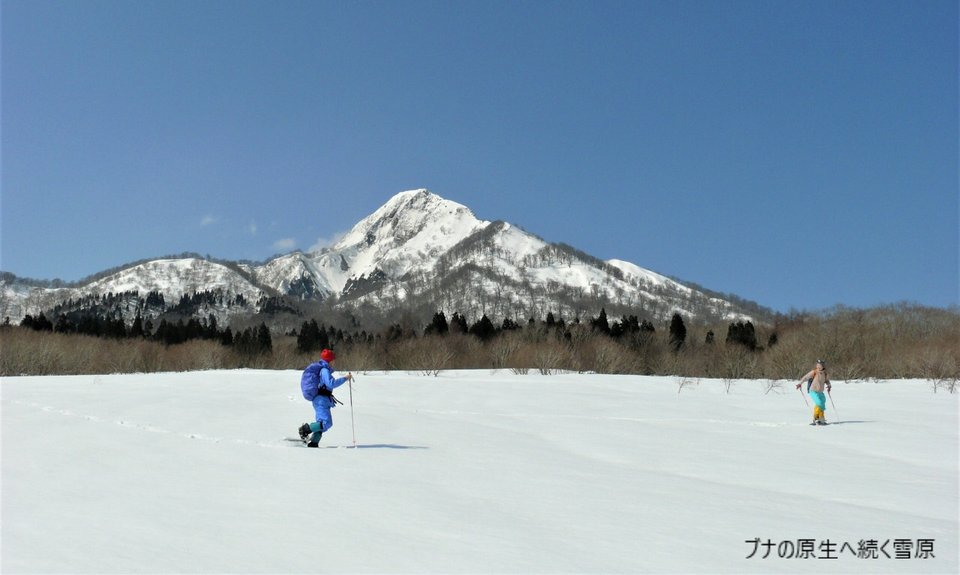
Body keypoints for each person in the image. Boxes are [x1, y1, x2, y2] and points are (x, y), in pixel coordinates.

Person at [298, 349, 353, 447]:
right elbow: (331, 383)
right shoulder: (324, 370)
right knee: (326, 423)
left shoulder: (324, 370)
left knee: (322, 423)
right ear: (330, 360)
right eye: (333, 359)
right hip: (321, 400)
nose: (334, 361)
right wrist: (345, 378)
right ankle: (305, 429)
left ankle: (314, 443)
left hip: (322, 400)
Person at [796, 359, 832, 425]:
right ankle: (816, 418)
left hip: (820, 391)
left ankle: (821, 418)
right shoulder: (814, 372)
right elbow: (806, 377)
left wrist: (829, 386)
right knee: (819, 402)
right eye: (817, 365)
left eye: (820, 365)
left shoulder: (825, 373)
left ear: (823, 366)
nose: (818, 366)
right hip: (813, 390)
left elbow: (827, 381)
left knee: (822, 403)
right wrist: (800, 383)